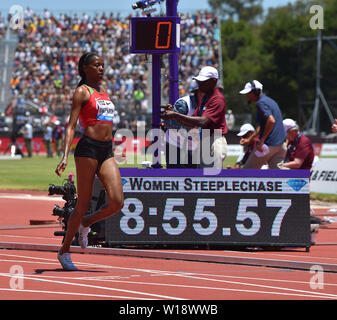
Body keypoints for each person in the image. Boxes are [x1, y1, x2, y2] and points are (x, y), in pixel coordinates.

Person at [55, 52, 124, 271]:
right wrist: (65, 155)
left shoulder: (104, 92)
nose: (101, 69)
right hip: (87, 150)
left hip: (106, 149)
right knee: (82, 204)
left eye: (103, 65)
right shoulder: (82, 92)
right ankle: (64, 250)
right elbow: (71, 125)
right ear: (85, 68)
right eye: (96, 65)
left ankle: (87, 223)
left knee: (117, 202)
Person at [161, 66, 227, 171]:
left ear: (213, 81)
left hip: (213, 140)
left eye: (203, 81)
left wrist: (174, 115)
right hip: (202, 141)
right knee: (201, 178)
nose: (199, 84)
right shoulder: (206, 98)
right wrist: (171, 116)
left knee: (210, 179)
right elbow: (192, 123)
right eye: (198, 81)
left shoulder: (217, 99)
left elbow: (204, 121)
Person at [239, 80, 286, 169]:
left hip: (269, 144)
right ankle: (300, 181)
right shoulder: (270, 101)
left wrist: (262, 140)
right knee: (278, 175)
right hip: (281, 145)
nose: (246, 96)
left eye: (248, 93)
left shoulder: (261, 103)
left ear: (256, 91)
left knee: (247, 171)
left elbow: (271, 121)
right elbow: (262, 126)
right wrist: (250, 139)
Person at [163, 92, 198, 168]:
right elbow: (172, 125)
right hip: (175, 144)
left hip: (192, 144)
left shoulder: (208, 103)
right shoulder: (183, 103)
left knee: (194, 173)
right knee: (175, 174)